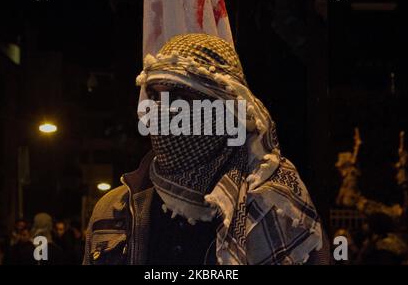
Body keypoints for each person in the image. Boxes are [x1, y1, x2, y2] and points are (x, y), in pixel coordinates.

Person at [84, 34, 329, 265]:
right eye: (156, 97)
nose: (163, 110)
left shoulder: (279, 208)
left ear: (224, 108)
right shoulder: (113, 209)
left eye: (180, 97)